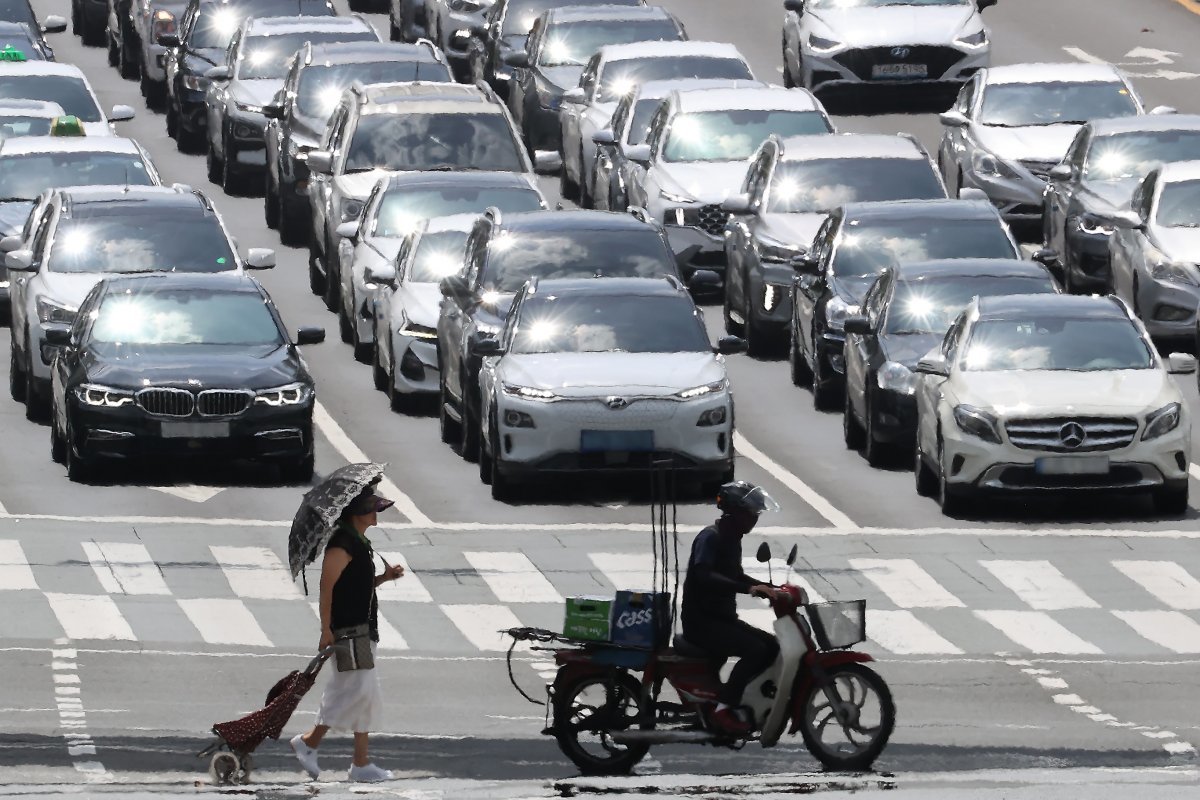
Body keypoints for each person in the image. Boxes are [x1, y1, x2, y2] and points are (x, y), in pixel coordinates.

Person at [290, 488, 406, 782]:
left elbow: (357, 587)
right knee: (352, 691)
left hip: (363, 629)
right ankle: (309, 741)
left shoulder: (359, 543)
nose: (376, 518)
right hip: (349, 631)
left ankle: (361, 764)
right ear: (357, 514)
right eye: (372, 511)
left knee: (364, 694)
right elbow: (327, 588)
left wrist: (384, 578)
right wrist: (326, 629)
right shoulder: (341, 545)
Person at [680, 480, 782, 735]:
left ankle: (742, 702)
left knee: (772, 645)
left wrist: (767, 586)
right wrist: (749, 589)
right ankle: (725, 708)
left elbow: (736, 575)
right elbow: (704, 575)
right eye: (752, 513)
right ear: (735, 511)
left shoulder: (732, 538)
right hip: (702, 622)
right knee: (756, 650)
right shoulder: (710, 537)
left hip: (721, 619)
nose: (755, 518)